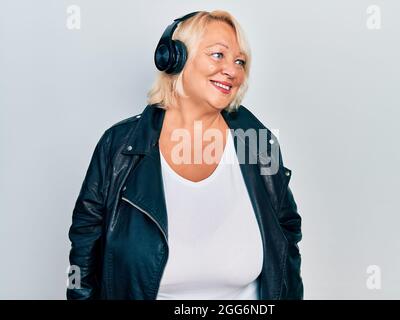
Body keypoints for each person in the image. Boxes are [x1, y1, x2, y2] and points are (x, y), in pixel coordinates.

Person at [67, 10, 303, 300]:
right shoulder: (118, 146)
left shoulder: (256, 144)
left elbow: (287, 234)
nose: (232, 70)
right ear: (173, 59)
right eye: (218, 55)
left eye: (240, 61)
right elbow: (84, 245)